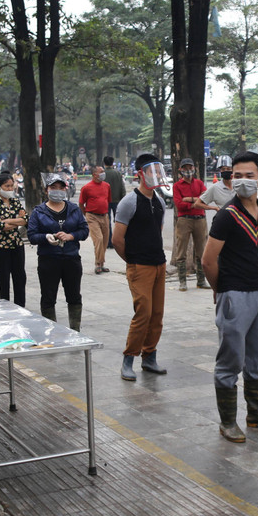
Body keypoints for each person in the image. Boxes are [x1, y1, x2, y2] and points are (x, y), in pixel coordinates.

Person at [201, 151, 258, 443]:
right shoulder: (226, 216)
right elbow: (207, 261)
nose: (242, 181)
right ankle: (227, 422)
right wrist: (219, 289)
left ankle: (257, 414)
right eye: (237, 175)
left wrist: (255, 271)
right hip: (234, 294)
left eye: (249, 176)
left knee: (257, 357)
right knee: (230, 360)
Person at [113, 154, 170, 379]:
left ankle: (150, 357)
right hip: (139, 266)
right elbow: (117, 239)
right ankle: (129, 359)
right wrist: (132, 261)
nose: (155, 175)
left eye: (158, 170)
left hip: (159, 264)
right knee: (143, 313)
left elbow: (158, 232)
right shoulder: (129, 202)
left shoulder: (159, 200)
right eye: (150, 171)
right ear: (140, 173)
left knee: (157, 314)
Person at [27, 174, 88, 330]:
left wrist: (70, 236)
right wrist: (46, 237)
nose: (57, 191)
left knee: (74, 296)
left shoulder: (74, 209)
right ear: (46, 189)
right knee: (48, 297)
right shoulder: (39, 211)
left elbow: (84, 231)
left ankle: (76, 330)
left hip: (71, 258)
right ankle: (51, 332)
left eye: (61, 188)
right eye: (53, 187)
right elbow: (32, 236)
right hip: (48, 260)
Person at [0, 172, 28, 307]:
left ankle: (20, 306)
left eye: (11, 186)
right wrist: (17, 221)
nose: (10, 189)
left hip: (16, 244)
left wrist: (8, 220)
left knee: (20, 278)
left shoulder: (15, 201)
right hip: (0, 246)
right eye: (7, 186)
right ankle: (5, 308)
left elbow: (25, 220)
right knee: (4, 280)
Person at [171, 157, 209, 291]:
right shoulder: (176, 186)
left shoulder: (199, 183)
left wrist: (190, 199)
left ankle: (201, 281)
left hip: (200, 219)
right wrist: (196, 202)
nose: (188, 170)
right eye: (185, 168)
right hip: (184, 220)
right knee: (181, 251)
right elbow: (179, 205)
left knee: (201, 251)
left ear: (194, 168)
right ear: (180, 169)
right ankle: (182, 282)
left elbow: (206, 199)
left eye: (190, 167)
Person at [78, 165, 112, 274]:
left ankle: (101, 264)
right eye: (101, 172)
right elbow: (81, 203)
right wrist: (86, 214)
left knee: (105, 240)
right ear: (94, 175)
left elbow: (108, 200)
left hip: (104, 216)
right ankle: (98, 263)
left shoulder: (107, 186)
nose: (103, 173)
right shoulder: (86, 188)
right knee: (99, 239)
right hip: (92, 216)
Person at [103, 155, 126, 249]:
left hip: (105, 201)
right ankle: (118, 239)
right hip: (117, 200)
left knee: (106, 221)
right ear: (112, 163)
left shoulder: (102, 174)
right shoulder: (117, 173)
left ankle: (109, 242)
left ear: (104, 163)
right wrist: (123, 199)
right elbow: (122, 187)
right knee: (119, 221)